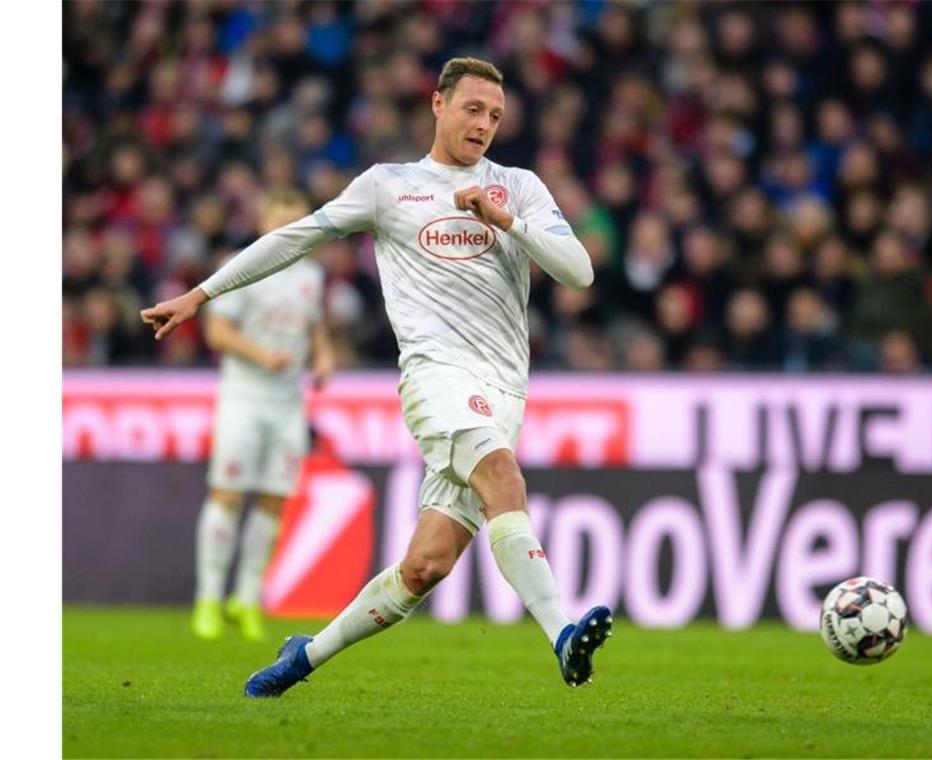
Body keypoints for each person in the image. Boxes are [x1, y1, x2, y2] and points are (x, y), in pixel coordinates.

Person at [140, 58, 610, 696]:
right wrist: (202, 293)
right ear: (438, 105)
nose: (484, 125)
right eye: (472, 109)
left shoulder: (519, 188)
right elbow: (295, 239)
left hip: (505, 389)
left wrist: (507, 222)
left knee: (425, 566)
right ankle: (561, 632)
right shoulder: (390, 186)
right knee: (503, 477)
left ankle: (303, 657)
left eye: (495, 116)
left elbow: (578, 271)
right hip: (436, 377)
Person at [191, 188, 335, 643]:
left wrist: (324, 356)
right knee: (228, 494)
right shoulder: (243, 268)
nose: (291, 228)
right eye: (283, 218)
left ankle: (247, 597)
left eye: (298, 221)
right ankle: (209, 597)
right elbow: (216, 331)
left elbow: (313, 325)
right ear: (264, 222)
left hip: (287, 401)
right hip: (243, 396)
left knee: (275, 499)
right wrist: (261, 354)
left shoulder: (310, 275)